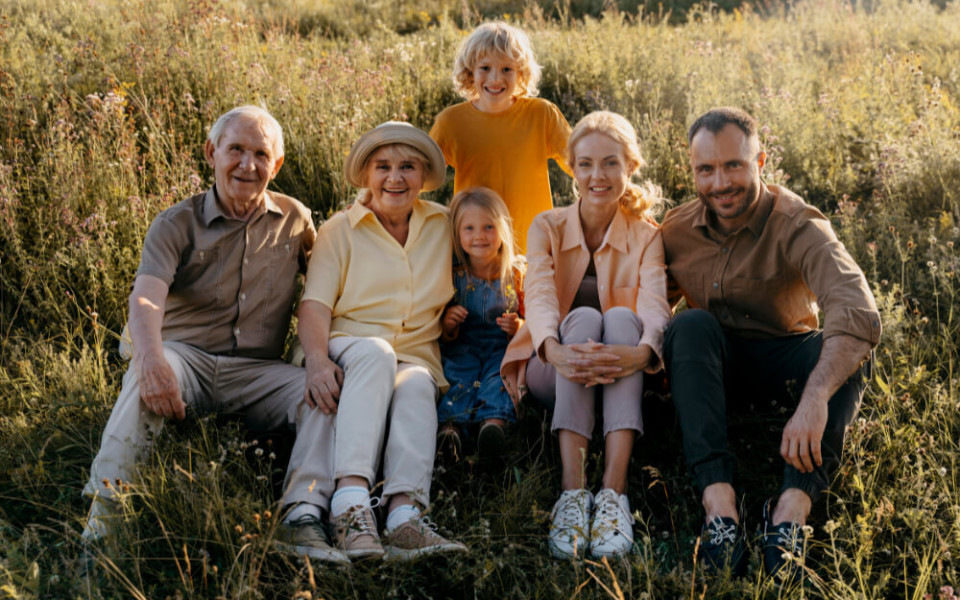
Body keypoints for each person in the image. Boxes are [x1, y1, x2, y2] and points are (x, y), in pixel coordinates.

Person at [83, 106, 348, 565]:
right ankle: (104, 522)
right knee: (148, 373)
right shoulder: (177, 223)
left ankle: (302, 517)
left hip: (259, 371)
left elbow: (327, 293)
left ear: (276, 165)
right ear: (212, 152)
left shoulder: (295, 219)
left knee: (323, 394)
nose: (248, 165)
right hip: (187, 360)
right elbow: (146, 298)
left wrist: (320, 360)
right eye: (236, 150)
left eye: (261, 154)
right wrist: (149, 360)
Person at [660, 107, 881, 582]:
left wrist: (816, 397)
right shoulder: (675, 230)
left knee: (844, 351)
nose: (720, 182)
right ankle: (720, 508)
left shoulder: (798, 223)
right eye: (706, 169)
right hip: (714, 371)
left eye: (733, 165)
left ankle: (790, 511)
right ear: (693, 172)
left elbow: (858, 311)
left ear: (760, 161)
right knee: (688, 326)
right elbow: (638, 301)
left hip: (786, 360)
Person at [501, 111, 671, 559]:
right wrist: (555, 352)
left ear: (630, 167)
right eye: (586, 164)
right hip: (551, 367)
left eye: (611, 163)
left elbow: (655, 302)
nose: (599, 175)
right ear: (572, 169)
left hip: (622, 369)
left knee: (619, 318)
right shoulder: (547, 226)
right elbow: (537, 294)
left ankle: (613, 495)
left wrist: (643, 352)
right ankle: (572, 496)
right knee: (579, 319)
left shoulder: (646, 236)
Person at [297, 121, 468, 561]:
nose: (396, 178)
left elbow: (488, 251)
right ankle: (351, 508)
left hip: (414, 352)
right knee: (377, 353)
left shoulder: (441, 223)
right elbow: (314, 304)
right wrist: (317, 360)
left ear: (423, 176)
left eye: (408, 167)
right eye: (384, 166)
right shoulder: (341, 229)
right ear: (367, 174)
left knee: (415, 383)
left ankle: (403, 517)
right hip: (349, 343)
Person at [429, 20, 572, 253]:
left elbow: (582, 164)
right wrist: (370, 203)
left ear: (521, 73)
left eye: (507, 69)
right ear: (470, 72)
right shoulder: (451, 122)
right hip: (477, 250)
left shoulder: (542, 114)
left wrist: (625, 196)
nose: (495, 79)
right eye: (485, 68)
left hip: (533, 248)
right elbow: (419, 177)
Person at [437, 187, 525, 462]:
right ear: (457, 233)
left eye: (489, 226)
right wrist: (449, 324)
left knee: (497, 381)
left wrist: (519, 326)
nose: (480, 236)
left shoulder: (516, 274)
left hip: (501, 349)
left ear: (503, 230)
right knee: (456, 379)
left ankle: (492, 430)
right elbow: (441, 327)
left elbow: (532, 317)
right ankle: (450, 432)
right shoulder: (453, 275)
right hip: (463, 346)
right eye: (470, 228)